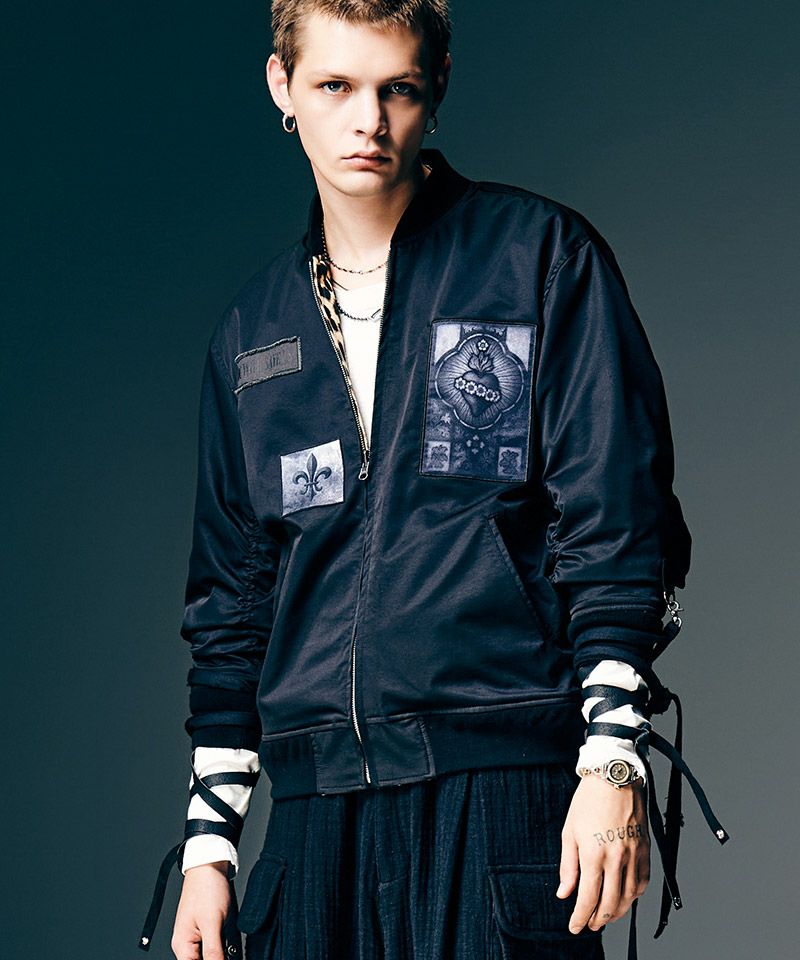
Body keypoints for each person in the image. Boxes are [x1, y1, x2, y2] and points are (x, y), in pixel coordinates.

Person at [137, 2, 728, 958]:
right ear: (283, 86)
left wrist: (613, 756)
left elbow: (616, 516)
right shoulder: (255, 334)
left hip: (503, 797)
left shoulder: (538, 258)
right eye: (335, 85)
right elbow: (231, 602)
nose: (367, 121)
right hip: (316, 822)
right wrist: (210, 845)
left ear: (437, 85)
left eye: (397, 89)